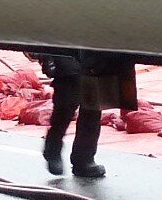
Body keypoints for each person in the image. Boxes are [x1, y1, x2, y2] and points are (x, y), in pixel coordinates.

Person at [35, 51, 135, 179]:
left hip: (98, 49)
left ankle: (84, 158)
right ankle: (54, 145)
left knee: (94, 99)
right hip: (69, 47)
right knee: (67, 99)